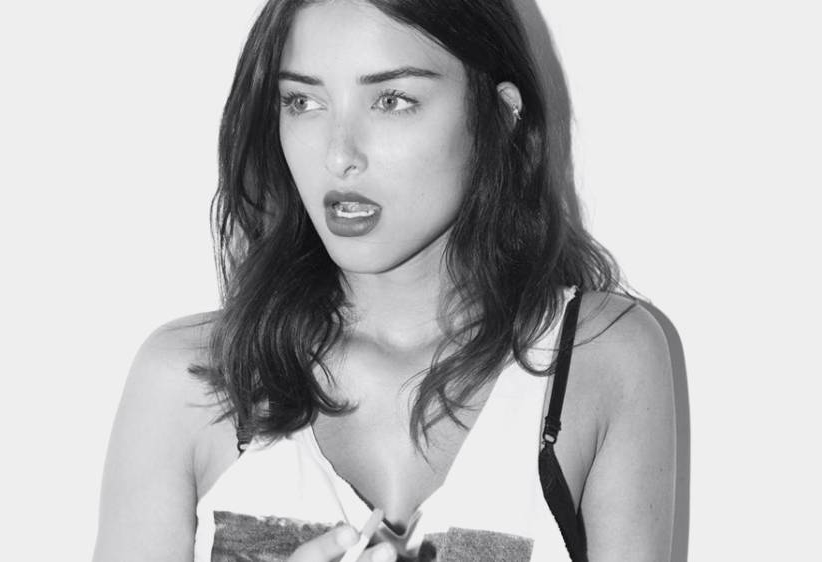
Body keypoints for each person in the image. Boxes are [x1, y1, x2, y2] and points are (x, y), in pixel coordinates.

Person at [93, 0, 679, 560]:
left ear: (500, 114)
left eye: (392, 100)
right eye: (302, 101)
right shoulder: (195, 381)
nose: (338, 155)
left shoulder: (600, 358)